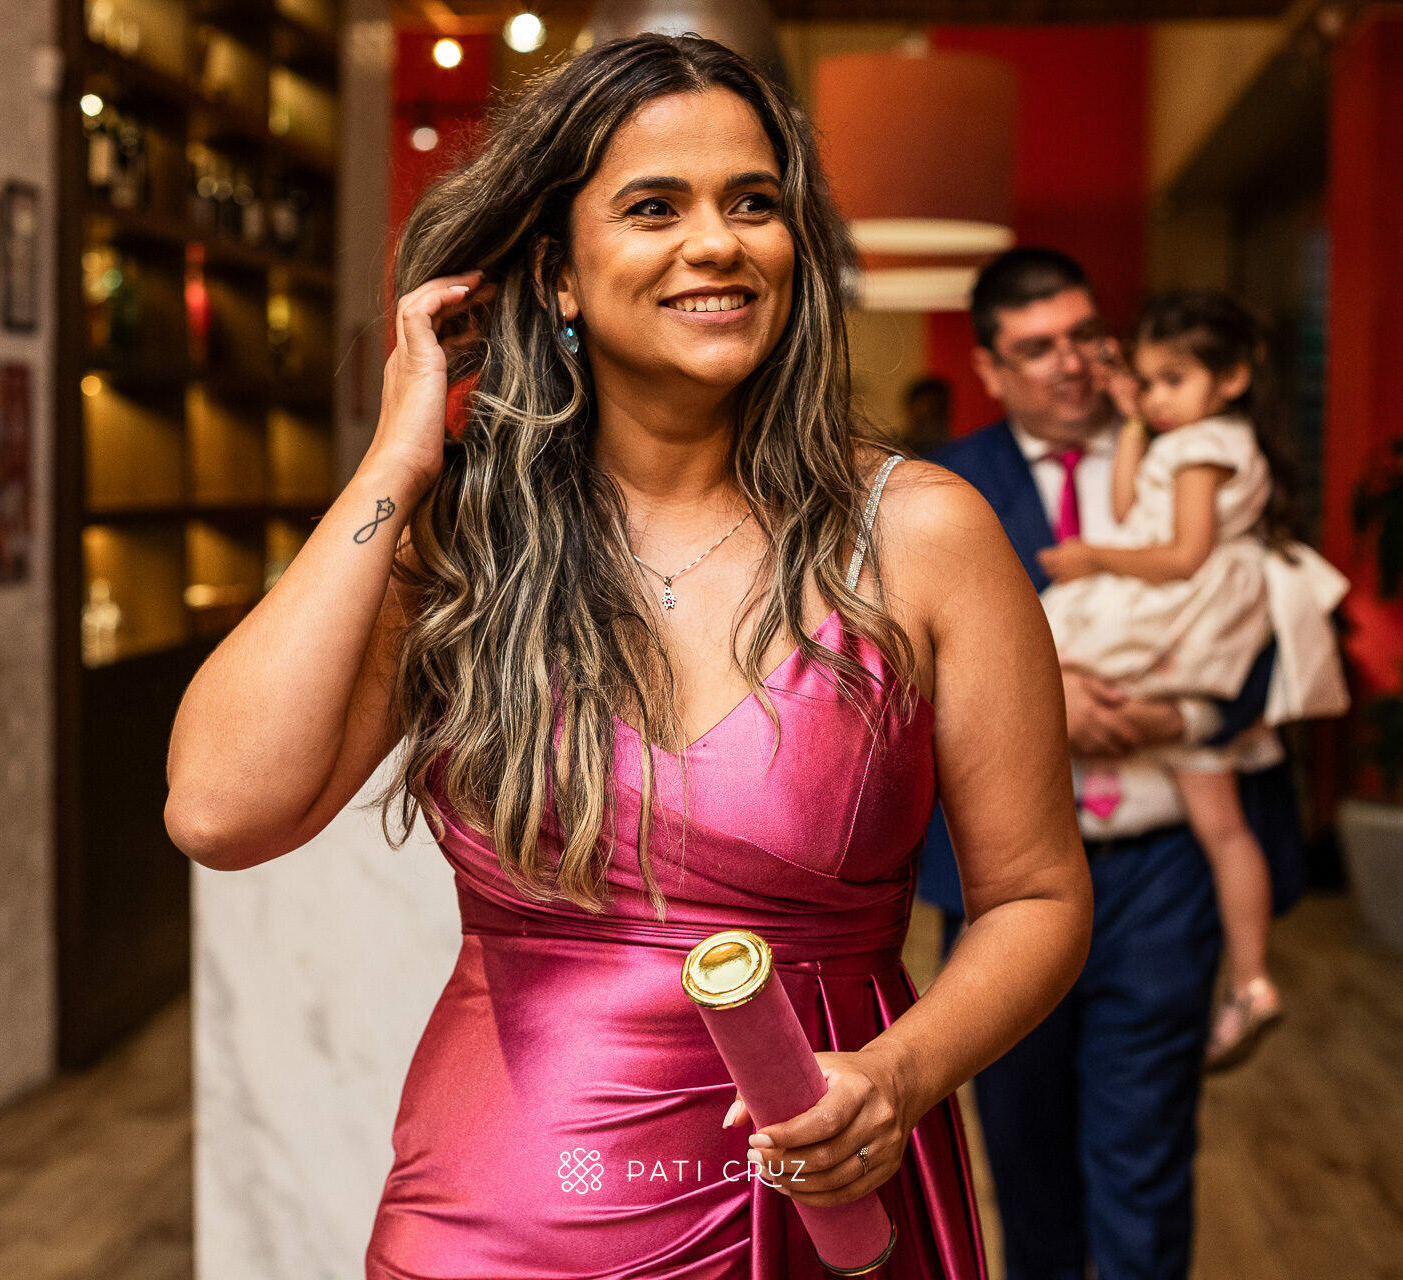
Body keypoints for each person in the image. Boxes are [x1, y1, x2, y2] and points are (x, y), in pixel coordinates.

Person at [164, 36, 1092, 1279]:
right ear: (557, 271)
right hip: (495, 1215)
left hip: (817, 1190)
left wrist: (900, 1073)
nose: (718, 243)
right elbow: (221, 811)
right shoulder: (466, 544)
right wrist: (398, 458)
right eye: (656, 206)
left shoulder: (922, 534)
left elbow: (1037, 896)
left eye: (752, 203)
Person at [917, 248, 1306, 1280]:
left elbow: (1281, 612)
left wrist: (1181, 710)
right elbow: (894, 669)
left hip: (1161, 864)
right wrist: (1041, 699)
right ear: (990, 367)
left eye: (1087, 336)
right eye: (1038, 348)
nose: (1073, 363)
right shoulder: (938, 486)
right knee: (1025, 1155)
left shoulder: (1206, 450)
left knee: (1144, 1156)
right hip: (1000, 878)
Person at [1036, 290, 1348, 1069]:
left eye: (1173, 379)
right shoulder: (1189, 439)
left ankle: (1249, 978)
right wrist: (1132, 422)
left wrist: (1092, 559)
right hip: (1192, 621)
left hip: (1181, 613)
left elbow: (1181, 555)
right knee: (1224, 825)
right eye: (1148, 381)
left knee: (1040, 657)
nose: (1158, 397)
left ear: (1233, 377)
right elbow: (1125, 505)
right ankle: (1251, 979)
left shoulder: (1205, 446)